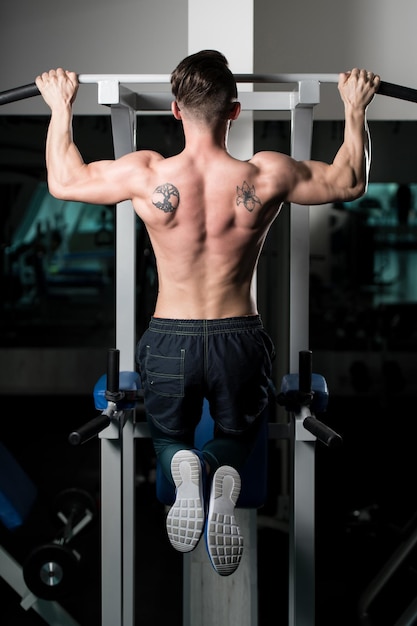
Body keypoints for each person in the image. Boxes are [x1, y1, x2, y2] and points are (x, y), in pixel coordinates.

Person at [35, 50, 380, 576]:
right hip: (238, 337)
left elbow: (65, 181)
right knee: (240, 435)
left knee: (170, 434)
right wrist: (354, 109)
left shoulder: (146, 173)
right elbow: (349, 180)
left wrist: (61, 106)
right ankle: (214, 468)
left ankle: (183, 467)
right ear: (234, 112)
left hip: (169, 337)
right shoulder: (265, 174)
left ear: (175, 110)